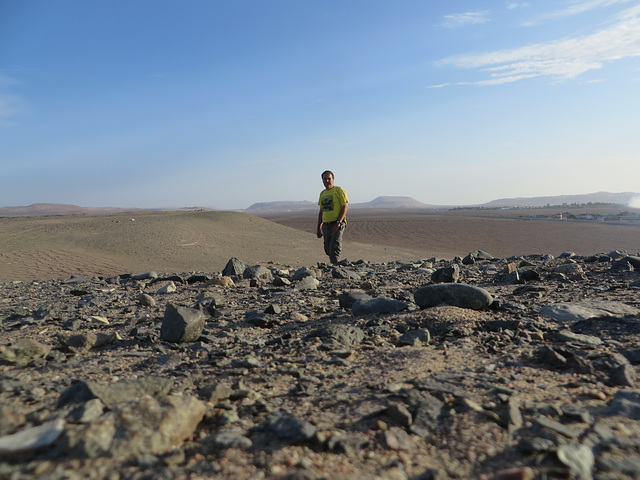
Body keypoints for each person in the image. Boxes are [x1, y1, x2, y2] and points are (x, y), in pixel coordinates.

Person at [317, 170, 349, 264]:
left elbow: (345, 206)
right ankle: (334, 265)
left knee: (334, 246)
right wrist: (319, 227)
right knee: (328, 248)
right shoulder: (322, 193)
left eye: (329, 178)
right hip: (326, 225)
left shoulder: (339, 190)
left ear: (333, 179)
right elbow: (321, 211)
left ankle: (336, 269)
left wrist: (338, 223)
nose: (327, 181)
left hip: (337, 224)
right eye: (324, 179)